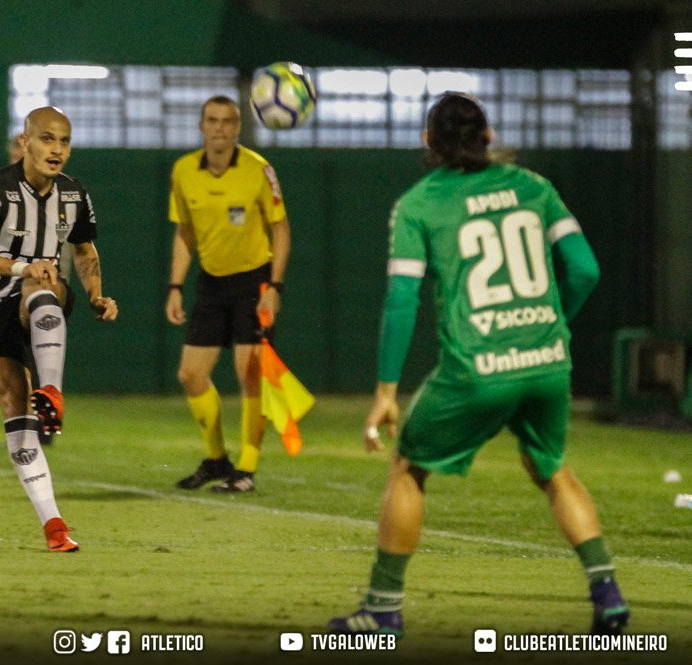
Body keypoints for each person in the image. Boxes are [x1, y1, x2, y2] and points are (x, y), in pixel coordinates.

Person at [328, 92, 629, 636]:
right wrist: (552, 324)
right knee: (554, 469)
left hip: (478, 369)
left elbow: (402, 300)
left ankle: (382, 608)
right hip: (546, 362)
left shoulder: (419, 204)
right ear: (487, 136)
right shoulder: (534, 187)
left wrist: (385, 392)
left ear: (428, 143)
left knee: (407, 467)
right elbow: (585, 270)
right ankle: (608, 596)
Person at [0, 106, 118, 552]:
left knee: (40, 283)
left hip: (41, 294)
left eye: (64, 141)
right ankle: (54, 525)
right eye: (47, 139)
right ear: (25, 142)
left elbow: (84, 249)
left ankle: (51, 390)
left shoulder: (73, 195)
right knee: (13, 401)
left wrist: (95, 295)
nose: (57, 150)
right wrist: (20, 265)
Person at [165, 95, 291, 493]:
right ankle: (217, 459)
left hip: (253, 281)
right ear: (201, 126)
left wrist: (274, 287)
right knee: (191, 374)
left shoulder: (259, 169)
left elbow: (281, 231)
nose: (219, 127)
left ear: (238, 128)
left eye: (228, 121)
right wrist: (175, 286)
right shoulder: (184, 171)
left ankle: (247, 469)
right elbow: (185, 232)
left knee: (249, 374)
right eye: (212, 120)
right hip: (212, 281)